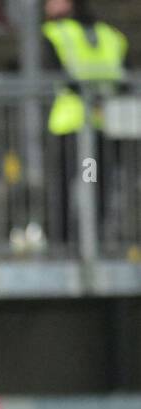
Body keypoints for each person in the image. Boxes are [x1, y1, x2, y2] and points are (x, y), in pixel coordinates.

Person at [42, 0, 130, 247]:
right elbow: (125, 79)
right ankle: (94, 241)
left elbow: (54, 74)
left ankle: (62, 244)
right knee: (97, 185)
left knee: (66, 185)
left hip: (70, 124)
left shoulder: (57, 33)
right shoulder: (111, 36)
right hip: (104, 124)